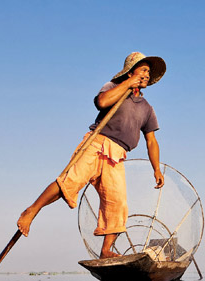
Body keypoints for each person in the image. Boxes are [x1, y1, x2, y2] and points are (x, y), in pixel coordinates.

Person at [17, 52, 166, 259]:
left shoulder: (147, 109)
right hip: (96, 143)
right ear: (131, 72)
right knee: (70, 182)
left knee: (117, 204)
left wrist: (156, 169)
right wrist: (128, 84)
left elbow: (151, 140)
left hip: (117, 154)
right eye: (143, 70)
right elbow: (102, 102)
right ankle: (31, 211)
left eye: (149, 72)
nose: (146, 75)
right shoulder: (113, 87)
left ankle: (105, 251)